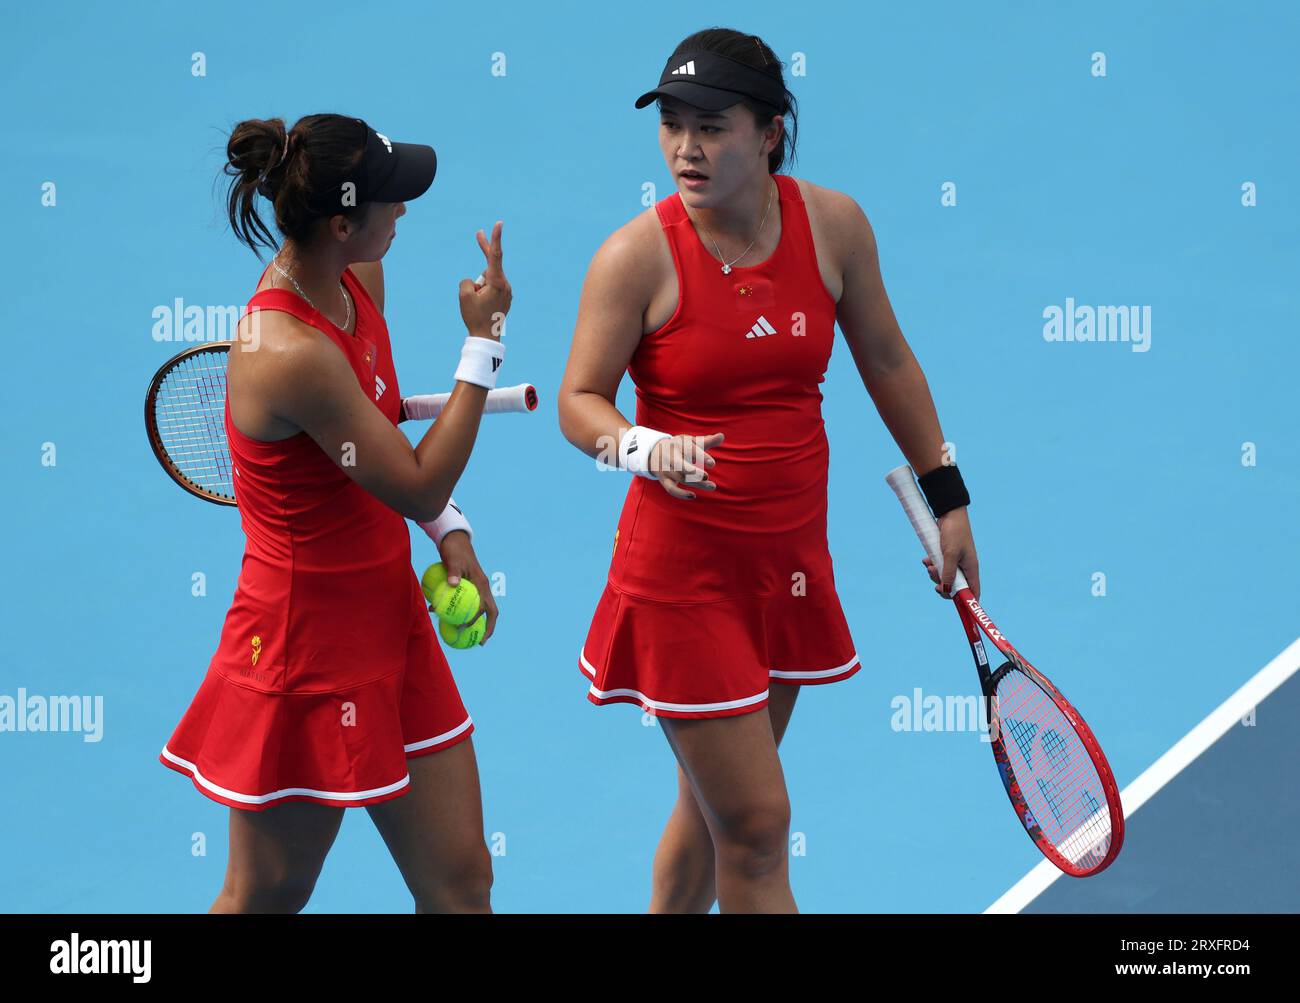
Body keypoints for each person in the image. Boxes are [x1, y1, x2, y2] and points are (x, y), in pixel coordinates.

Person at [558, 28, 981, 913]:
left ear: (771, 130)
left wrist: (949, 499)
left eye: (711, 125)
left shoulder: (833, 226)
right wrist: (642, 445)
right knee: (754, 826)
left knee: (711, 805)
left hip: (784, 567)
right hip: (681, 579)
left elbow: (889, 362)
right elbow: (579, 403)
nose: (686, 148)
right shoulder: (635, 257)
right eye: (671, 124)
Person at [159, 113, 512, 913]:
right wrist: (484, 344)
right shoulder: (288, 351)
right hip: (304, 650)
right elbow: (413, 479)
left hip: (389, 620)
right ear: (344, 223)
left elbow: (386, 457)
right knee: (267, 896)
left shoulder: (358, 282)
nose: (405, 212)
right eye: (392, 199)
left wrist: (448, 530)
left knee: (463, 883)